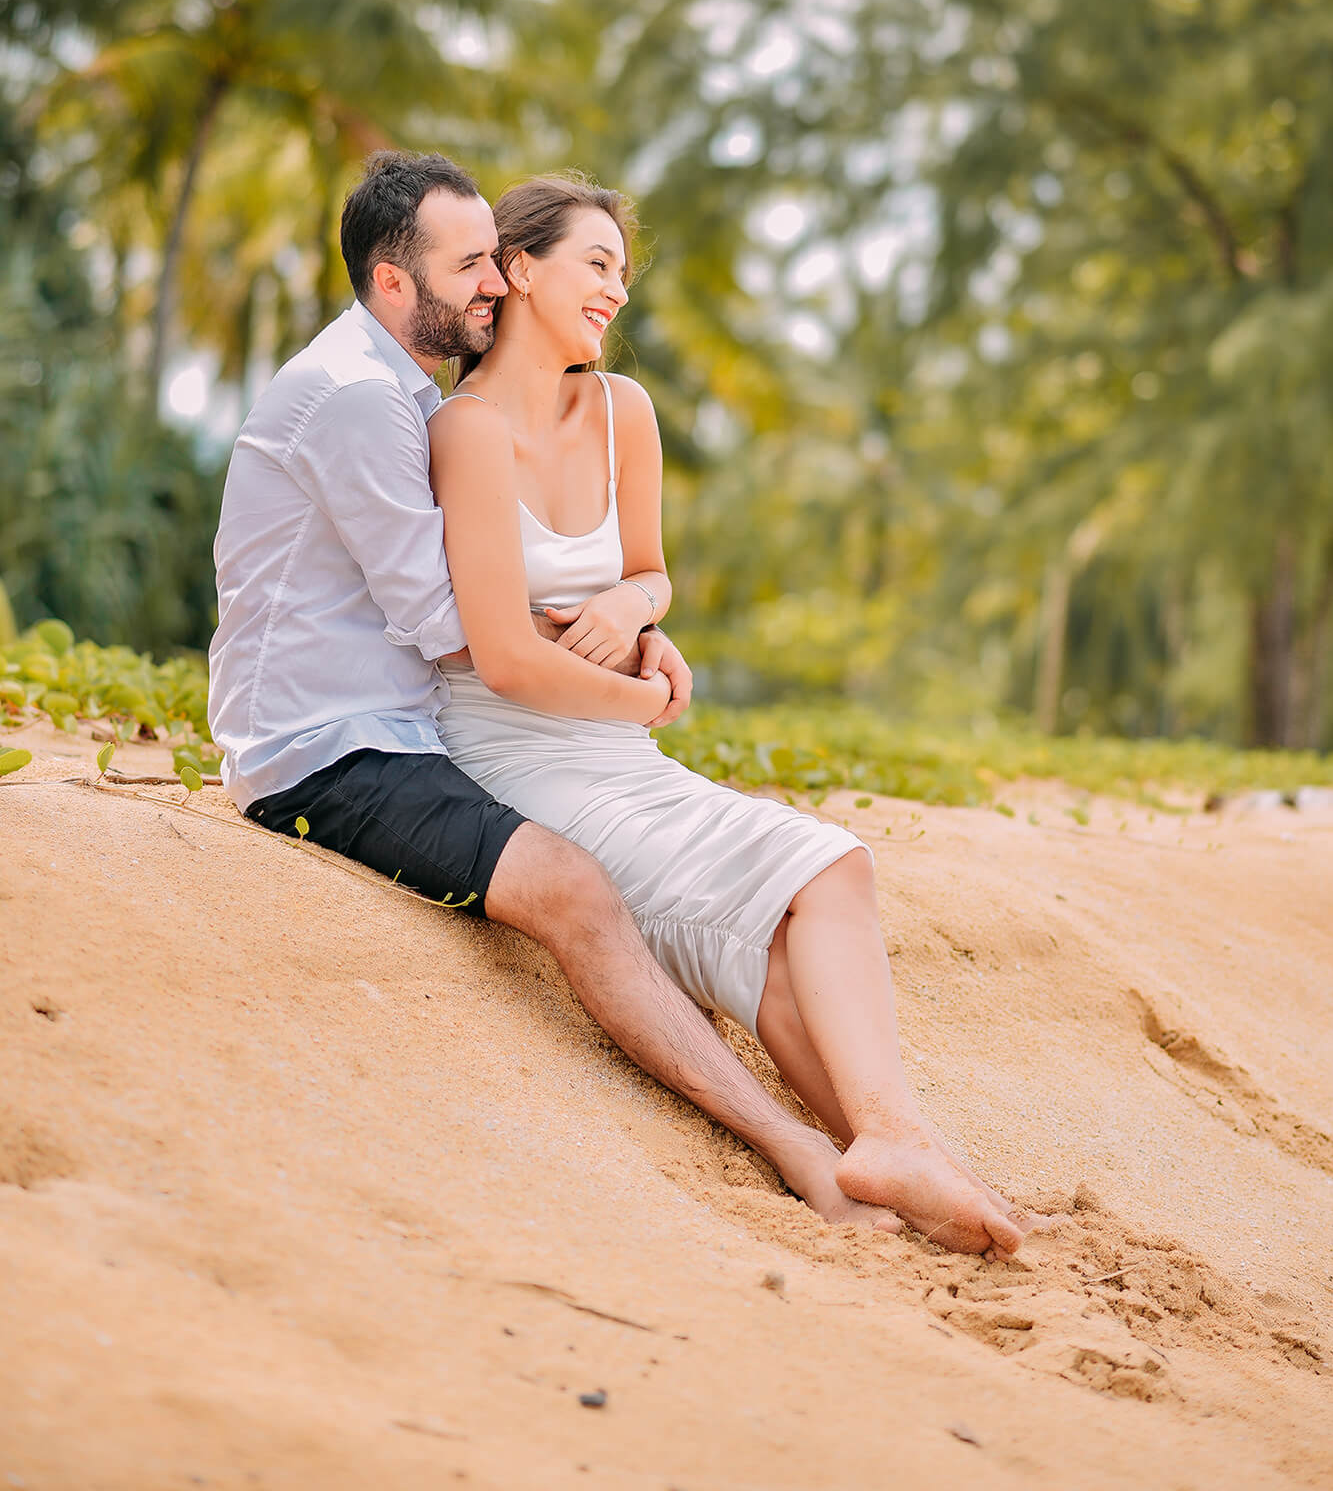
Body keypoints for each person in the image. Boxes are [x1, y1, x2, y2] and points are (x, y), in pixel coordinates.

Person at [208, 150, 904, 1234]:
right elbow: (456, 623)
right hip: (324, 752)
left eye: (493, 256)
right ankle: (796, 1146)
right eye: (472, 263)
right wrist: (635, 668)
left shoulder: (410, 390)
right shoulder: (359, 400)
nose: (490, 282)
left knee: (690, 892)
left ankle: (881, 1148)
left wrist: (634, 609)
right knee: (574, 889)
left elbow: (494, 605)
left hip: (406, 733)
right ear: (397, 283)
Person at [430, 172, 1037, 1256]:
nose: (616, 291)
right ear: (519, 269)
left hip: (616, 748)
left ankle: (895, 1149)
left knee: (808, 902)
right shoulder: (464, 431)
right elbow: (510, 661)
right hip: (522, 760)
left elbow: (651, 571)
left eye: (624, 271)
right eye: (596, 265)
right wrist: (647, 692)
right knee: (821, 868)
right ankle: (900, 1143)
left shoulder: (623, 410)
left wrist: (627, 607)